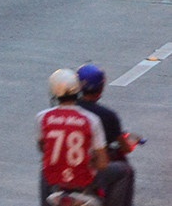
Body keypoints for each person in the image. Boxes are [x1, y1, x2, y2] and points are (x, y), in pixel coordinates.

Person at [40, 67, 107, 204]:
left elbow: (43, 148)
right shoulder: (91, 119)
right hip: (84, 182)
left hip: (56, 183)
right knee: (124, 171)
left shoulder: (42, 117)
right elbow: (102, 163)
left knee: (44, 171)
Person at [77, 65, 137, 206]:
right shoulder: (107, 116)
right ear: (101, 88)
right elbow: (125, 147)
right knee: (126, 171)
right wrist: (132, 142)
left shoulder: (65, 112)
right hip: (90, 169)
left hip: (66, 170)